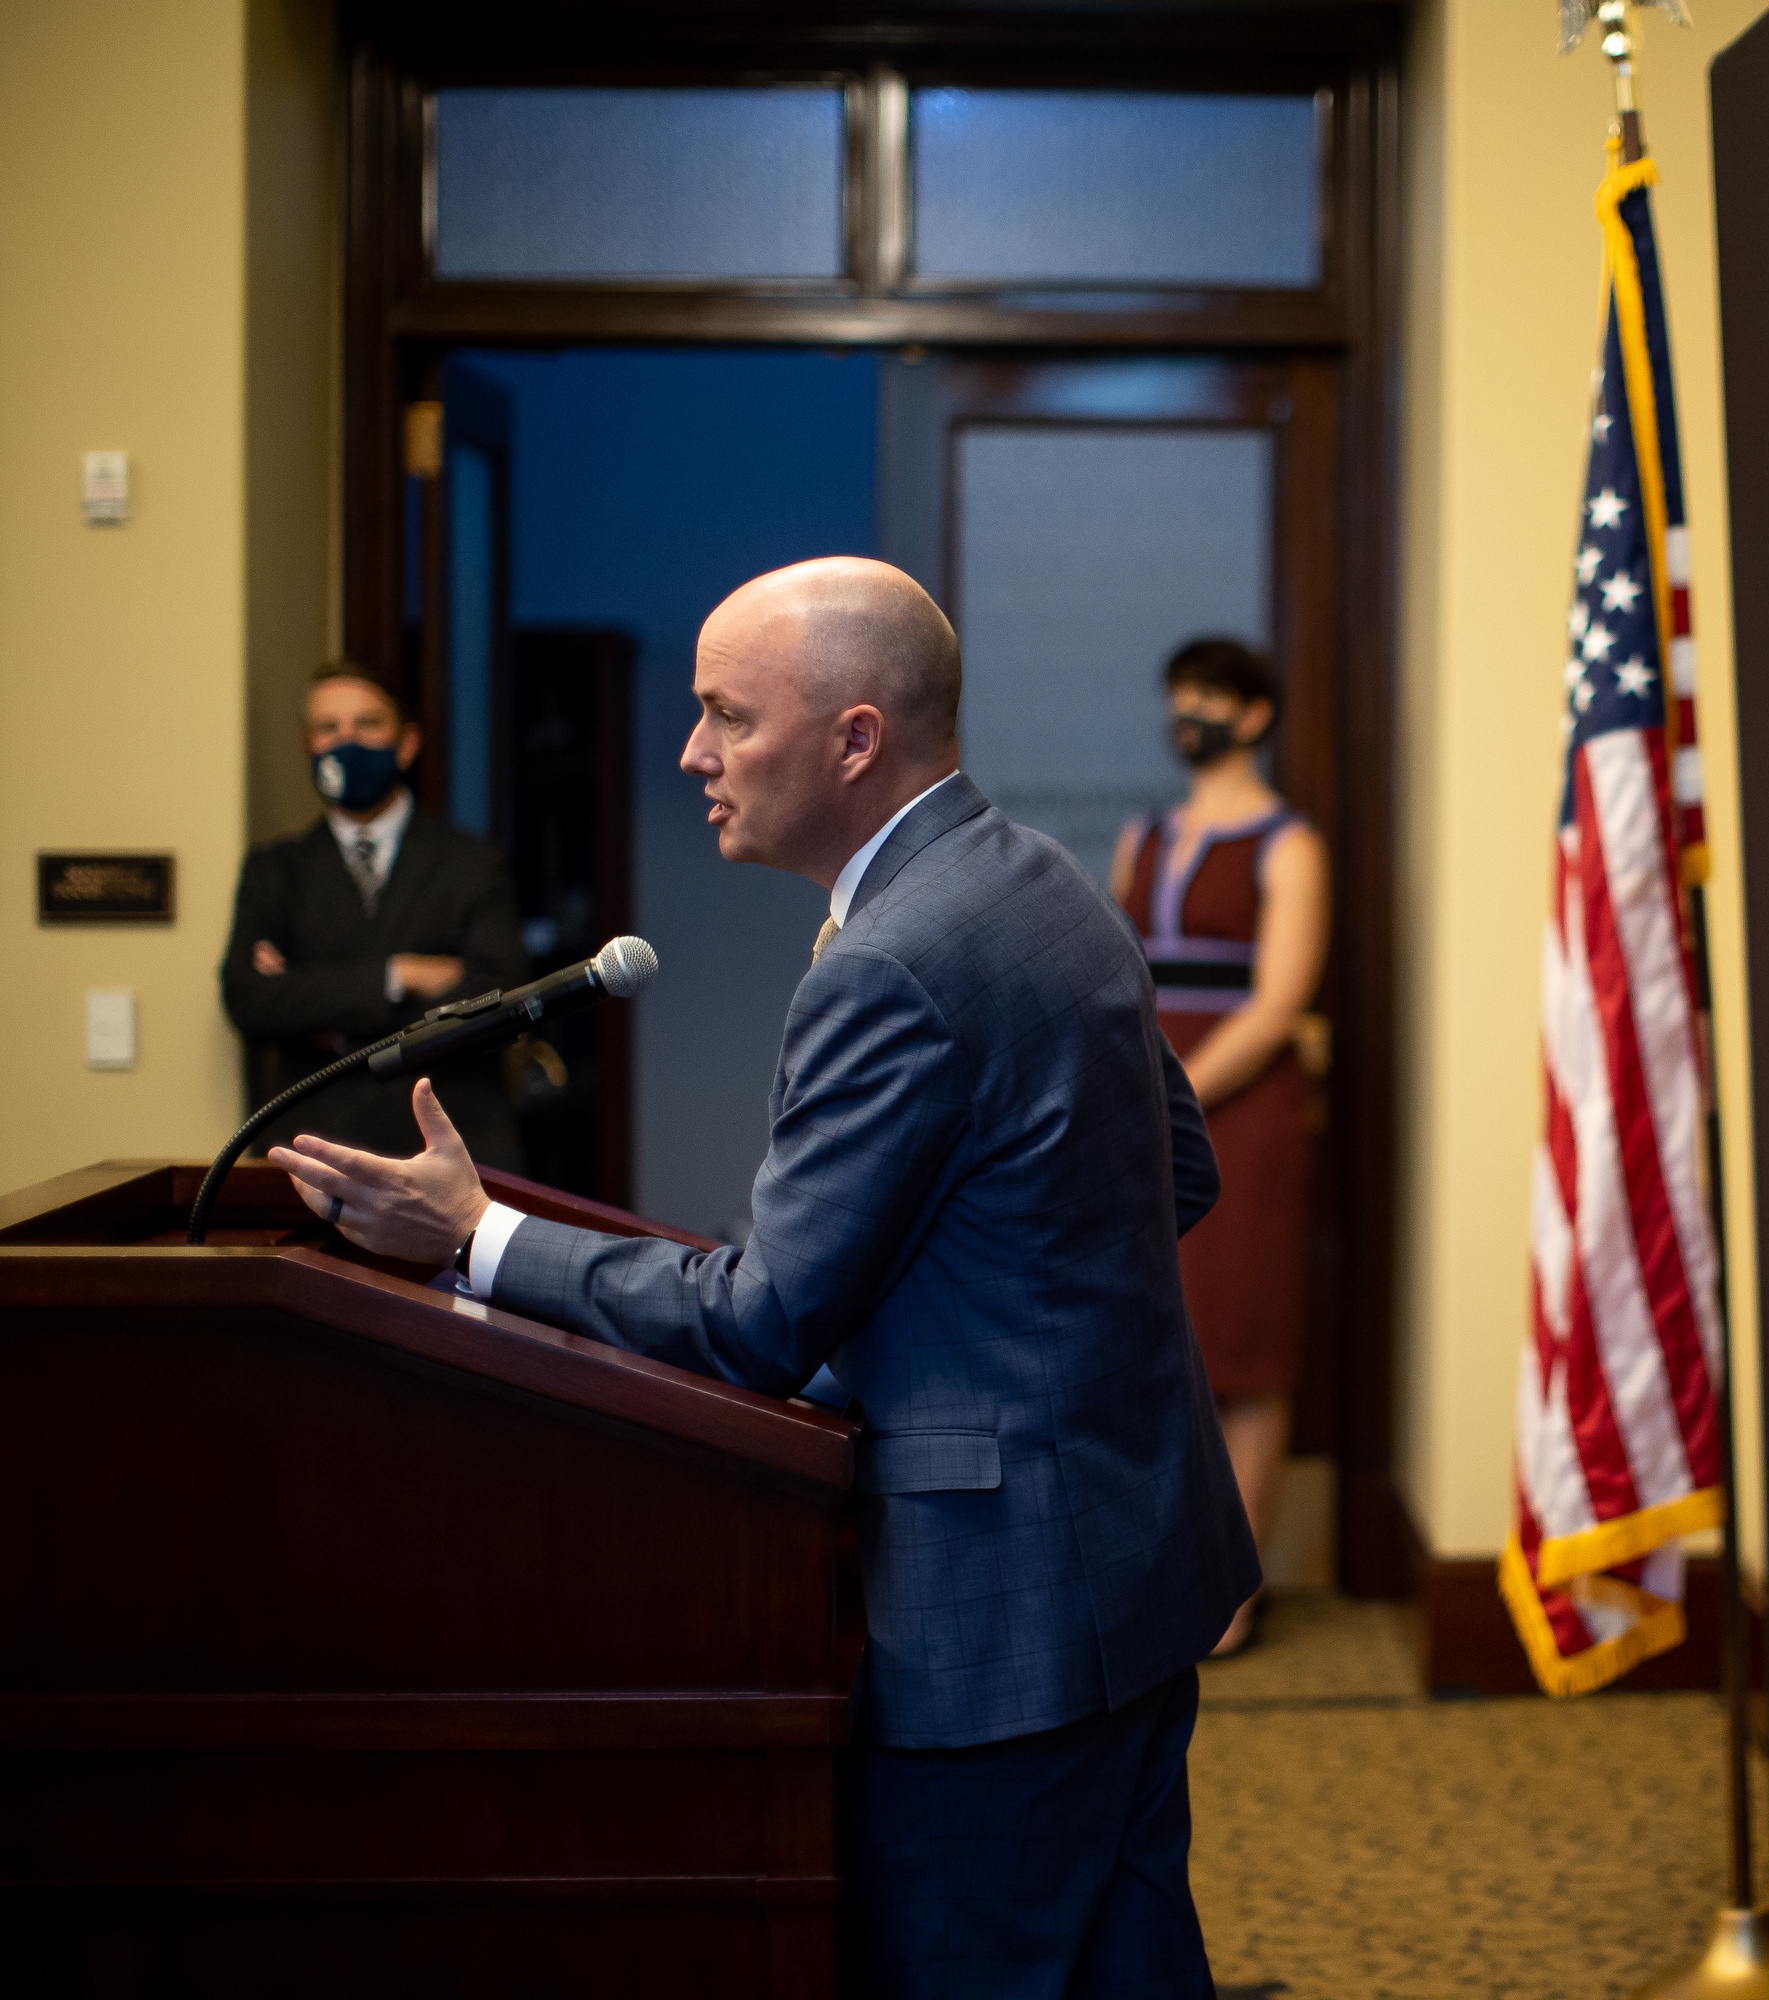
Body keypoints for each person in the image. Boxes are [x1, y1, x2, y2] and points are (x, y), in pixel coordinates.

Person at [264, 558, 1262, 1997]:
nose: (692, 755)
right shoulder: (1040, 877)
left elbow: (760, 1322)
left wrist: (473, 1240)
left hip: (999, 1629)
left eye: (728, 717)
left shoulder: (891, 960)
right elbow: (1174, 1176)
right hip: (1132, 1554)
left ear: (855, 740)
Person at [1109, 639, 1329, 1658]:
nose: (1186, 710)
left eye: (1207, 695)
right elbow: (1119, 977)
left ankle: (1235, 1590)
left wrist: (1177, 1093)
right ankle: (1162, 1566)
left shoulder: (1290, 844)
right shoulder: (1140, 835)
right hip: (1143, 1105)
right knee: (1161, 1339)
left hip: (1243, 1113)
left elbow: (1282, 1002)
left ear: (1254, 714)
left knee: (1243, 1348)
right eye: (1175, 695)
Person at [221, 664, 528, 1170]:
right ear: (308, 748)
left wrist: (320, 1011)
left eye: (366, 725)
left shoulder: (472, 863)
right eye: (327, 728)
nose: (346, 741)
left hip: (455, 1148)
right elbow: (250, 1000)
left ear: (405, 745)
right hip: (314, 1153)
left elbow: (499, 995)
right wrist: (399, 976)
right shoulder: (274, 869)